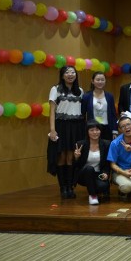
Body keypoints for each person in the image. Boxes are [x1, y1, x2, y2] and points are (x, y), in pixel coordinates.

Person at [48, 65, 85, 199]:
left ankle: (70, 187)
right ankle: (63, 187)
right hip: (61, 126)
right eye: (67, 72)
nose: (70, 75)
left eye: (73, 72)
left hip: (76, 127)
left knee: (71, 157)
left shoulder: (80, 91)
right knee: (61, 157)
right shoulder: (55, 89)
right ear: (62, 75)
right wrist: (52, 130)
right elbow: (52, 111)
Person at [73, 120, 111, 205]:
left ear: (100, 131)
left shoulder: (106, 144)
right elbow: (76, 166)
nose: (95, 132)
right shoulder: (80, 144)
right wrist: (76, 157)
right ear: (87, 132)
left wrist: (106, 173)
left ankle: (94, 190)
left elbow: (107, 163)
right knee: (89, 168)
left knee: (103, 186)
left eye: (97, 130)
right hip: (84, 174)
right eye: (92, 130)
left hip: (98, 174)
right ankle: (93, 196)